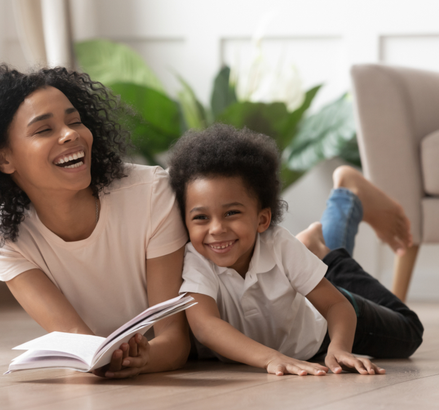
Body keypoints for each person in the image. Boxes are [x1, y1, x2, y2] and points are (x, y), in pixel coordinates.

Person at [0, 64, 190, 378]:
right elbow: (77, 340)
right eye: (44, 129)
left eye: (75, 121)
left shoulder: (149, 192)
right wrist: (107, 361)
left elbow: (174, 340)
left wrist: (143, 359)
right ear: (4, 159)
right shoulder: (2, 235)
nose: (70, 135)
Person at [168, 123, 423, 376]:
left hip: (318, 333)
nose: (216, 228)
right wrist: (272, 358)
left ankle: (342, 209)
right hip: (283, 340)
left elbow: (336, 305)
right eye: (201, 218)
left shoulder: (278, 244)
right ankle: (313, 247)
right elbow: (205, 326)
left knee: (410, 331)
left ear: (262, 219)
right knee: (302, 265)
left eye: (231, 213)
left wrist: (339, 347)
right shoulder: (196, 258)